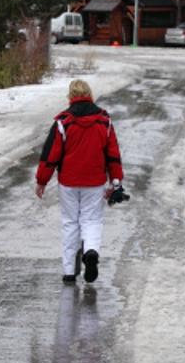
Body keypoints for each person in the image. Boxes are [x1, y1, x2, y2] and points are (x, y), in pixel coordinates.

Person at [36, 80, 126, 284]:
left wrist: (42, 180)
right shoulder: (104, 120)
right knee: (91, 220)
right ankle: (91, 251)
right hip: (94, 181)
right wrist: (116, 181)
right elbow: (112, 153)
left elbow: (51, 155)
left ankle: (69, 271)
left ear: (70, 97)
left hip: (68, 181)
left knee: (70, 222)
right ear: (90, 95)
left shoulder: (63, 122)